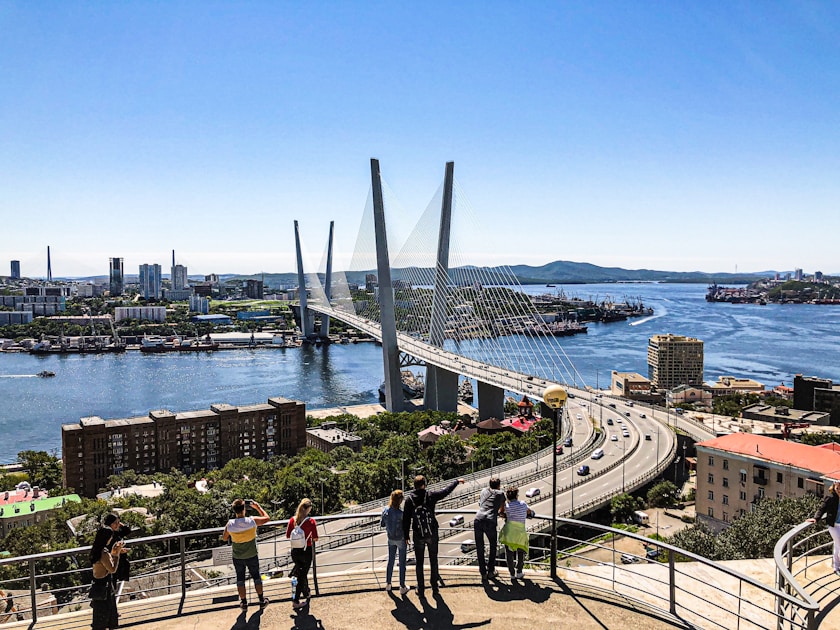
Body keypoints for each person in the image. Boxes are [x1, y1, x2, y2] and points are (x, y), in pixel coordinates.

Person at [402, 475, 465, 596]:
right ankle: (435, 587)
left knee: (419, 563)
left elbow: (406, 519)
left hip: (418, 534)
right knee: (433, 560)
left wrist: (406, 536)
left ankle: (421, 589)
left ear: (414, 486)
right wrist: (456, 481)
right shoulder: (430, 495)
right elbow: (445, 491)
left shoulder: (409, 500)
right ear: (424, 485)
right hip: (432, 532)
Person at [223, 499, 271, 611]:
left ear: (234, 510)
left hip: (238, 557)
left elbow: (224, 538)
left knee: (240, 579)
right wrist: (258, 507)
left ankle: (244, 603)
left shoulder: (230, 524)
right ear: (244, 509)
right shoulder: (252, 521)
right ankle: (261, 600)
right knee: (256, 577)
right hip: (252, 554)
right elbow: (267, 518)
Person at [286, 498, 319, 610]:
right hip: (306, 551)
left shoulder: (292, 520)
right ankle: (295, 600)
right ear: (308, 509)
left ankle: (306, 592)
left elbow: (288, 535)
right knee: (302, 575)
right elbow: (315, 538)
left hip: (295, 551)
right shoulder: (311, 521)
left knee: (301, 573)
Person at [90, 525, 124, 630]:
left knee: (99, 616)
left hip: (98, 585)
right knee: (108, 616)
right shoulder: (103, 553)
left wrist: (113, 552)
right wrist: (117, 554)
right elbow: (112, 569)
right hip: (105, 587)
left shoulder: (96, 550)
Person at [473, 477, 505, 581]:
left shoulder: (483, 491)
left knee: (479, 547)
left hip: (478, 519)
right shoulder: (500, 493)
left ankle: (483, 573)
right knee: (492, 545)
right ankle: (491, 571)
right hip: (490, 521)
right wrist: (500, 513)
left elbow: (480, 503)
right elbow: (502, 508)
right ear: (499, 485)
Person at [499, 485, 534, 580]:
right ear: (516, 496)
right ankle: (519, 572)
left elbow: (501, 513)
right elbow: (530, 512)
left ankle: (511, 573)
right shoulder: (523, 504)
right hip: (520, 532)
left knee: (509, 553)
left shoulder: (506, 506)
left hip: (509, 533)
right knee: (521, 552)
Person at [380, 489, 410, 594]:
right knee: (402, 563)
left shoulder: (385, 510)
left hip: (390, 538)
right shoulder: (401, 513)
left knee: (391, 561)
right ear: (400, 500)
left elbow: (382, 524)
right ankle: (402, 586)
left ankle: (388, 584)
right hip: (400, 539)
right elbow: (405, 527)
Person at [809, 480, 840, 575]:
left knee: (837, 546)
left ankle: (836, 567)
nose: (839, 490)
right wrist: (816, 518)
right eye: (837, 488)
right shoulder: (830, 499)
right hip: (834, 526)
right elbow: (821, 509)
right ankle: (837, 566)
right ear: (834, 488)